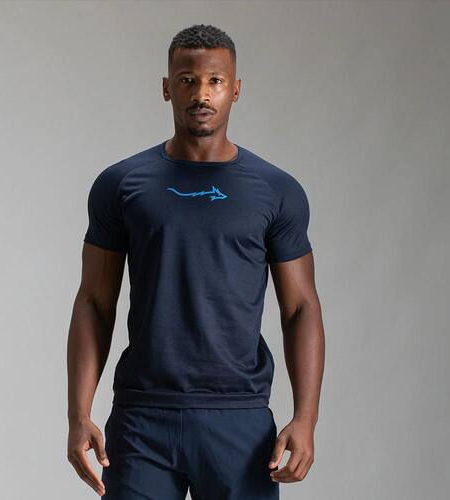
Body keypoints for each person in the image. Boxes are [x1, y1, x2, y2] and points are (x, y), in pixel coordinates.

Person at [67, 23, 325, 499]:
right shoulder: (121, 184)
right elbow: (94, 302)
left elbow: (301, 307)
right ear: (167, 88)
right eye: (187, 80)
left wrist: (306, 418)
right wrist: (78, 414)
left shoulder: (276, 190)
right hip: (143, 417)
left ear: (236, 90)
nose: (201, 94)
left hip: (239, 419)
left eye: (215, 81)